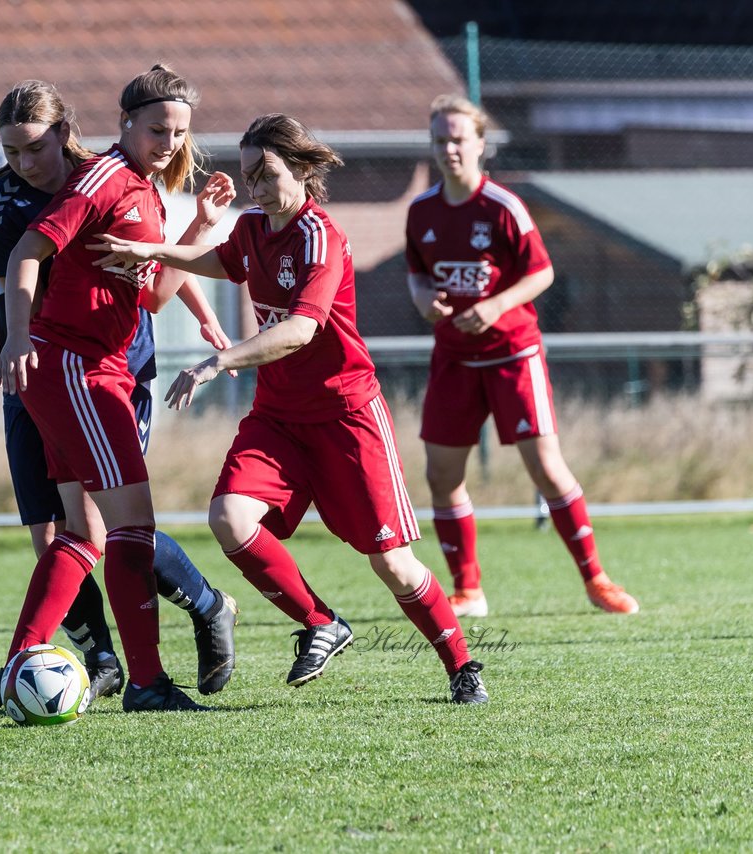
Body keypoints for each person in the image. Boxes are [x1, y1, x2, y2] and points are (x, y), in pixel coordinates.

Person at [89, 113, 487, 704]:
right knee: (228, 518)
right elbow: (217, 262)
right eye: (249, 175)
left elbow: (301, 329)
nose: (255, 187)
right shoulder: (252, 228)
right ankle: (322, 623)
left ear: (300, 169)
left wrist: (217, 362)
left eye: (266, 173)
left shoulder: (319, 236)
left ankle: (461, 666)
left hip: (346, 417)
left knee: (394, 565)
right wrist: (146, 248)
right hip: (278, 417)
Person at [0, 80, 239, 702]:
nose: (169, 144)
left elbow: (152, 295)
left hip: (99, 370)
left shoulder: (142, 190)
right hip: (77, 370)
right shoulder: (104, 179)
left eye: (178, 133)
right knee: (130, 529)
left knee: (84, 532)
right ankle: (146, 680)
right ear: (123, 123)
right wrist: (16, 337)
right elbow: (26, 254)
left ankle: (20, 666)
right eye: (157, 131)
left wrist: (199, 228)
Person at [404, 95, 639, 617]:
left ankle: (596, 580)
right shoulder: (421, 211)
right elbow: (418, 272)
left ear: (481, 145)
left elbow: (542, 272)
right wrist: (422, 297)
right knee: (441, 476)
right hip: (454, 358)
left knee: (548, 471)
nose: (449, 149)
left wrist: (494, 306)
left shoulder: (503, 207)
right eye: (440, 141)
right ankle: (468, 590)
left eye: (459, 139)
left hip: (512, 354)